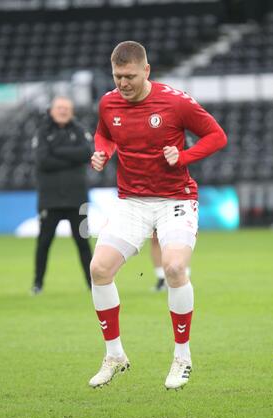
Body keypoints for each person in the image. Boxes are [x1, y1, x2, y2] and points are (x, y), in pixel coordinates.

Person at [89, 41, 227, 390]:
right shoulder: (108, 103)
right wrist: (102, 152)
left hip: (174, 200)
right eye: (118, 76)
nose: (123, 83)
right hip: (131, 202)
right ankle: (115, 355)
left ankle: (182, 357)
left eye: (130, 76)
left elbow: (217, 136)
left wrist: (183, 157)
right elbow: (105, 134)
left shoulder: (175, 101)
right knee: (99, 269)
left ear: (146, 71)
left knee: (175, 268)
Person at [32, 96, 92, 294]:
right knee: (44, 243)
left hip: (78, 200)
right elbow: (43, 162)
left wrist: (56, 151)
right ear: (51, 110)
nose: (63, 111)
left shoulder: (80, 130)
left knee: (83, 242)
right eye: (59, 108)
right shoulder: (43, 132)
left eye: (66, 108)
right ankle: (38, 284)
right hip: (50, 201)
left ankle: (93, 285)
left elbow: (86, 153)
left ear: (72, 111)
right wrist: (72, 158)